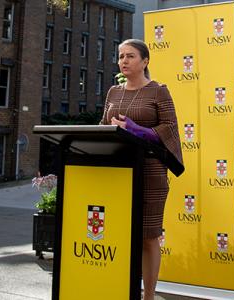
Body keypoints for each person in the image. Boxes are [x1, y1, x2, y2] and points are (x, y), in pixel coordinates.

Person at [99, 39, 184, 300]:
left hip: (150, 173)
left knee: (148, 237)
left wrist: (137, 130)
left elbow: (170, 128)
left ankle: (148, 296)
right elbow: (102, 126)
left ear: (145, 61)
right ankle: (124, 290)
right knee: (122, 235)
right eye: (121, 56)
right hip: (119, 173)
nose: (124, 61)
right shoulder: (113, 92)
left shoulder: (158, 91)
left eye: (130, 56)